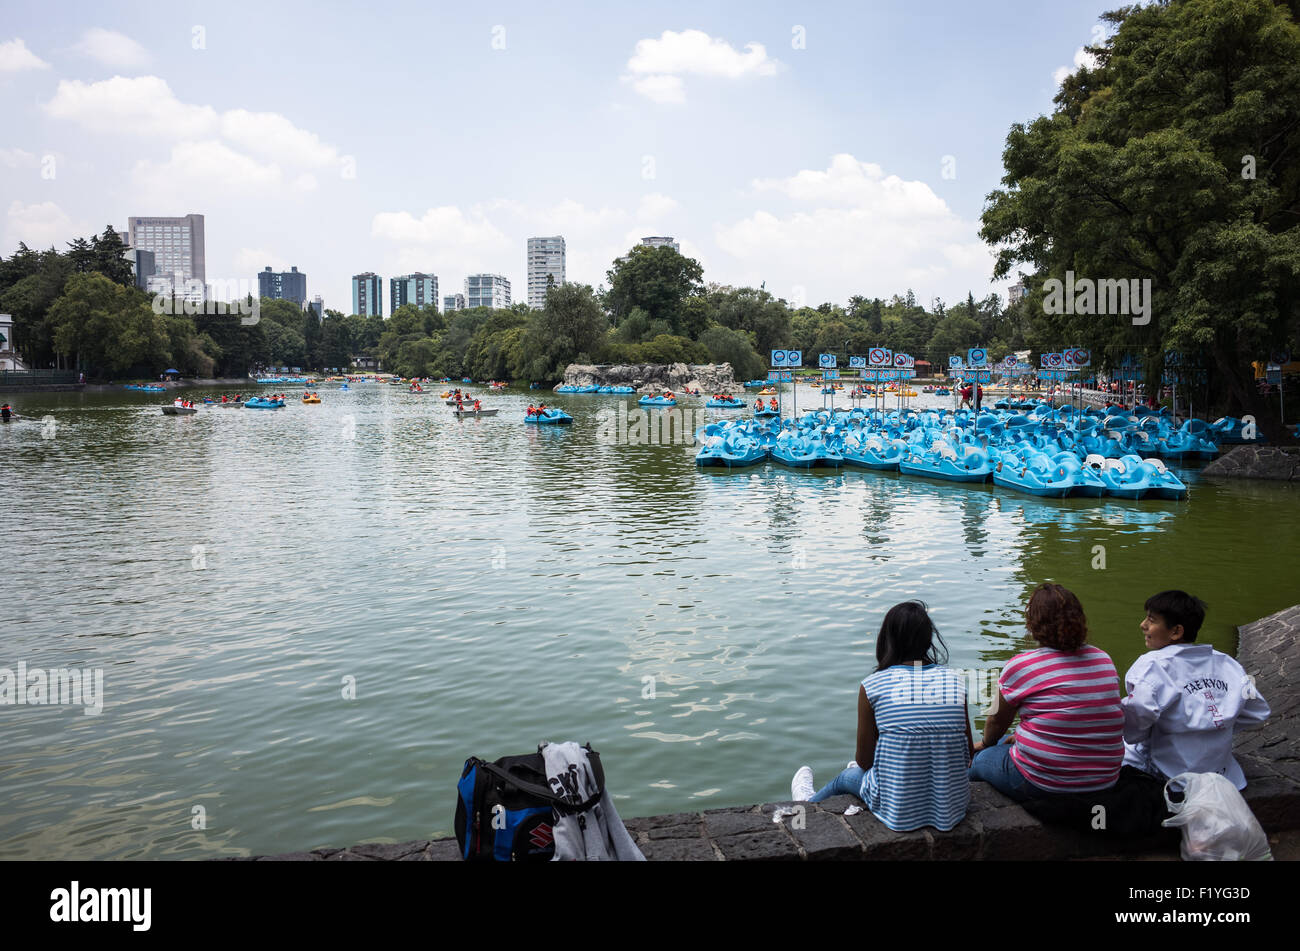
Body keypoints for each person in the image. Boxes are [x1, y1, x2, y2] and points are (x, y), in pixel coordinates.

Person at [790, 601, 971, 833]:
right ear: (928, 639)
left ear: (888, 639)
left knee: (848, 776)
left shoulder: (873, 685)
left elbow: (866, 761)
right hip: (952, 808)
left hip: (898, 811)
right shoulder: (955, 680)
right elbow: (967, 752)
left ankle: (807, 803)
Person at [969, 583, 1124, 802]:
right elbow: (1081, 714)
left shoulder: (1022, 666)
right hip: (1105, 780)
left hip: (1046, 783)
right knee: (1007, 740)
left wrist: (984, 745)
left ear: (1032, 624)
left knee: (981, 760)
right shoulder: (1103, 659)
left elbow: (996, 721)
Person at [1122, 591, 1270, 790]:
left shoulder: (1152, 666)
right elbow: (1257, 712)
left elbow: (1136, 723)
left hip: (1172, 778)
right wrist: (1213, 728)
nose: (1143, 625)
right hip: (1224, 775)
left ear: (1176, 632)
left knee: (1112, 741)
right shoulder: (1225, 662)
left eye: (1152, 620)